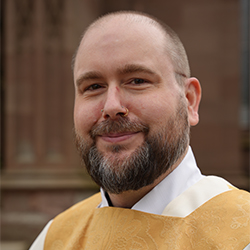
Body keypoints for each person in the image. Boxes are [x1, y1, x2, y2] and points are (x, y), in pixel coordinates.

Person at [30, 11, 250, 250]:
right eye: (93, 86)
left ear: (189, 101)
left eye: (137, 81)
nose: (112, 106)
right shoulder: (53, 239)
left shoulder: (242, 235)